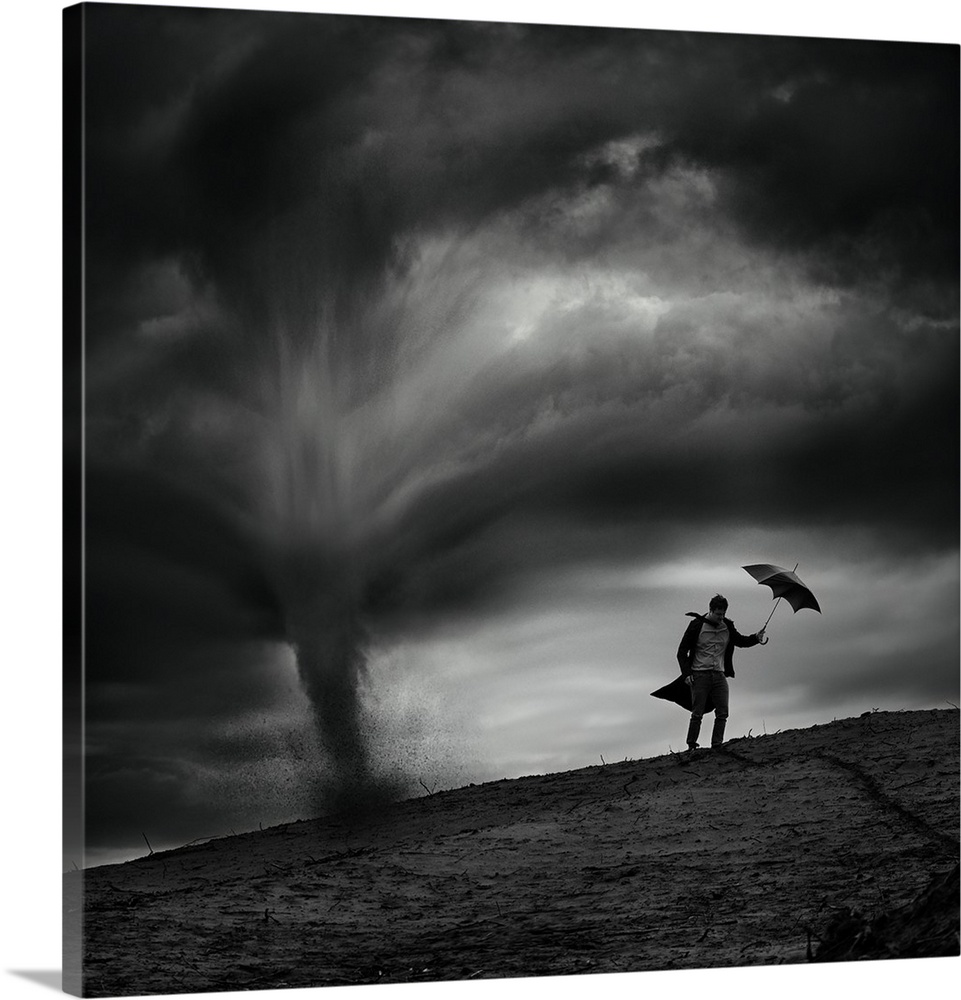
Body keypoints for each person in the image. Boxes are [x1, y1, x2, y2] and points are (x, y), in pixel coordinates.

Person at [676, 594, 766, 751]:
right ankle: (691, 746)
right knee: (697, 713)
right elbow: (681, 651)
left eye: (723, 614)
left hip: (719, 674)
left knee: (723, 711)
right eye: (718, 614)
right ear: (711, 610)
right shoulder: (696, 625)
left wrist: (755, 638)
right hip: (699, 674)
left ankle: (717, 745)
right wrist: (686, 674)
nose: (721, 617)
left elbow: (740, 641)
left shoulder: (727, 626)